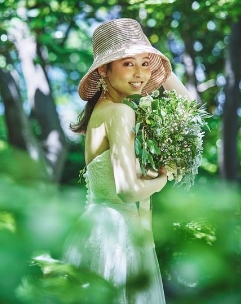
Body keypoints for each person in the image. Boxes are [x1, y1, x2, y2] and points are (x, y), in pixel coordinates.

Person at [63, 18, 193, 303]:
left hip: (96, 228)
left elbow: (188, 109)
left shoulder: (104, 110)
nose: (140, 74)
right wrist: (163, 177)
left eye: (145, 64)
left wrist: (158, 64)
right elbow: (128, 190)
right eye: (128, 63)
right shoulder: (121, 114)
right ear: (103, 70)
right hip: (117, 236)